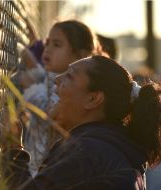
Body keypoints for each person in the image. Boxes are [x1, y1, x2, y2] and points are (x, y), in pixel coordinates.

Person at [1, 55, 161, 190]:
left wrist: (13, 150)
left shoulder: (88, 153)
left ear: (93, 99)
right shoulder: (113, 149)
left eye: (69, 76)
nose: (57, 79)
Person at [18, 20, 107, 175]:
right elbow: (39, 72)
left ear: (81, 56)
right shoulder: (54, 78)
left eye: (57, 45)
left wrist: (31, 89)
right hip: (33, 163)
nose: (48, 49)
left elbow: (46, 114)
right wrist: (33, 47)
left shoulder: (69, 91)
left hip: (39, 171)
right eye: (47, 43)